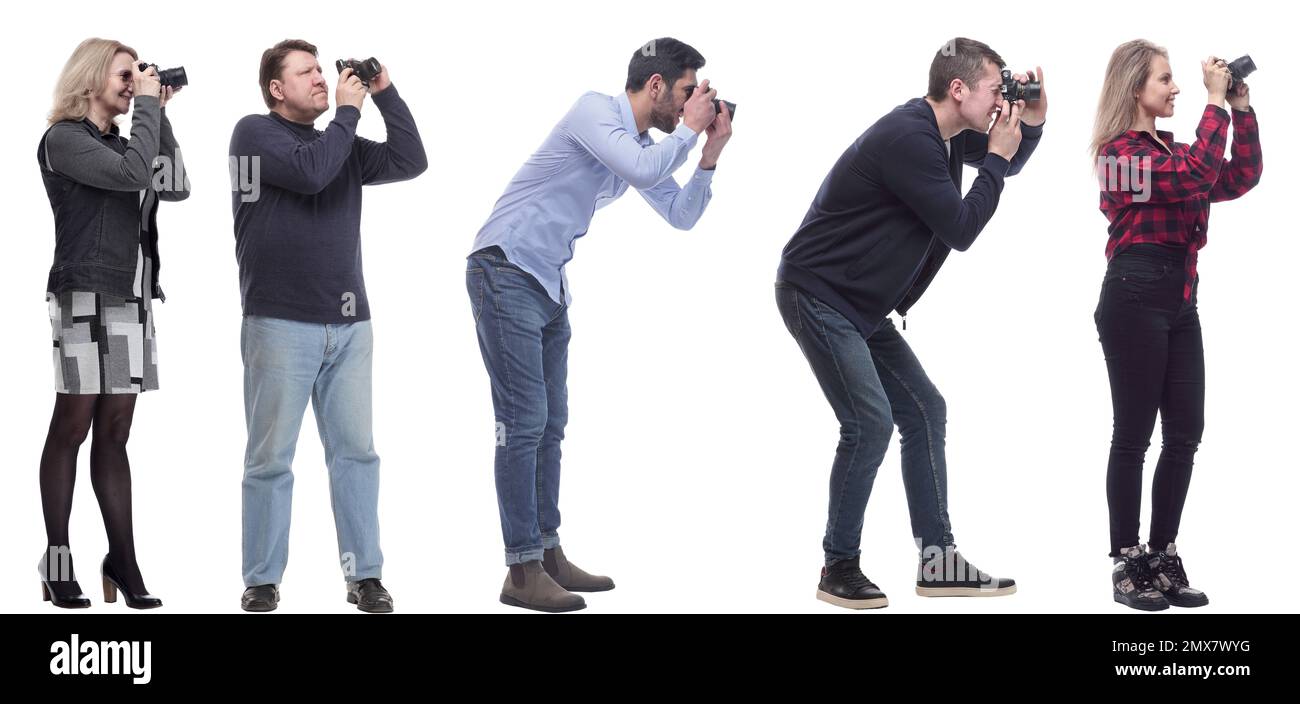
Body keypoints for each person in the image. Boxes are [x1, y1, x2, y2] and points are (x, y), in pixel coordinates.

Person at [775, 38, 1044, 609]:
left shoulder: (942, 135)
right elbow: (962, 228)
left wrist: (1033, 123)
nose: (1002, 101)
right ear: (958, 89)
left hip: (859, 306)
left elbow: (1009, 157)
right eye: (996, 90)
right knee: (869, 422)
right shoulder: (910, 138)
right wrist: (995, 158)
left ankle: (938, 563)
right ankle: (838, 566)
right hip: (817, 294)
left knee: (925, 410)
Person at [467, 37, 733, 612]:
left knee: (552, 424)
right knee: (523, 421)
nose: (694, 104)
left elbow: (681, 215)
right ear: (656, 86)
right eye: (688, 92)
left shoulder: (638, 145)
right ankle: (520, 569)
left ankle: (548, 553)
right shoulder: (595, 111)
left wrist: (708, 153)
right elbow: (642, 168)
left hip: (548, 285)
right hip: (504, 267)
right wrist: (688, 133)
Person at [229, 39, 427, 613]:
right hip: (278, 321)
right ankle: (262, 579)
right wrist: (347, 110)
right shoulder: (253, 134)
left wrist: (384, 92)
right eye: (307, 72)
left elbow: (411, 159)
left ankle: (364, 575)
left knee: (356, 454)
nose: (321, 78)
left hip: (349, 324)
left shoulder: (336, 142)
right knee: (270, 458)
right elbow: (312, 175)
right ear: (276, 88)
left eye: (323, 70)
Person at [1091, 41, 1261, 611]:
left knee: (1186, 432)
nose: (1176, 88)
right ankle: (1126, 560)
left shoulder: (1177, 150)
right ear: (1134, 86)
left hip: (1180, 298)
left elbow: (1239, 176)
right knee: (1133, 435)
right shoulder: (1117, 155)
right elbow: (1191, 178)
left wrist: (1239, 108)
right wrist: (1215, 100)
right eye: (1165, 80)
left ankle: (1162, 556)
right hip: (1135, 294)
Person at [37, 37, 189, 609]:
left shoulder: (132, 138)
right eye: (125, 75)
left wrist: (161, 113)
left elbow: (174, 185)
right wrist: (148, 107)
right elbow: (130, 176)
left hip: (131, 295)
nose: (133, 83)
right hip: (82, 295)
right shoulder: (64, 141)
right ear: (92, 77)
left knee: (116, 432)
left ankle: (122, 562)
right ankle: (57, 562)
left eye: (137, 76)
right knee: (72, 426)